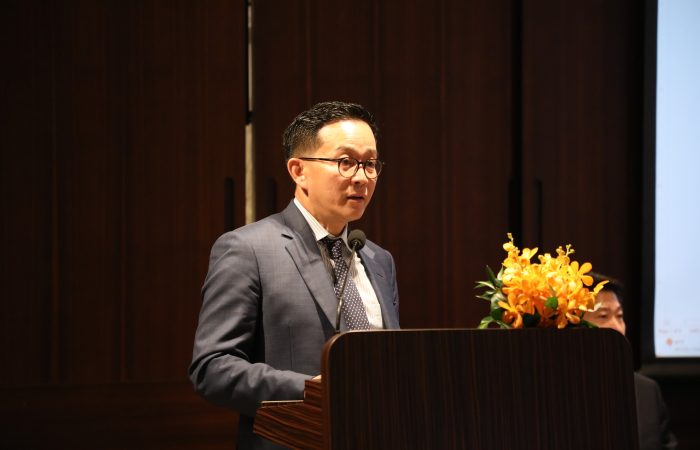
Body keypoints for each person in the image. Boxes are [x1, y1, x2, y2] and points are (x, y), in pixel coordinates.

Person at [189, 101, 400, 450]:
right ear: (299, 170)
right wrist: (310, 390)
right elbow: (212, 368)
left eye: (370, 164)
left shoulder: (379, 260)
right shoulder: (248, 249)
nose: (362, 177)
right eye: (346, 162)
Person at [585, 273, 678, 450]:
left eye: (619, 316)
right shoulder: (558, 389)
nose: (617, 326)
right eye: (603, 316)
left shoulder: (647, 390)